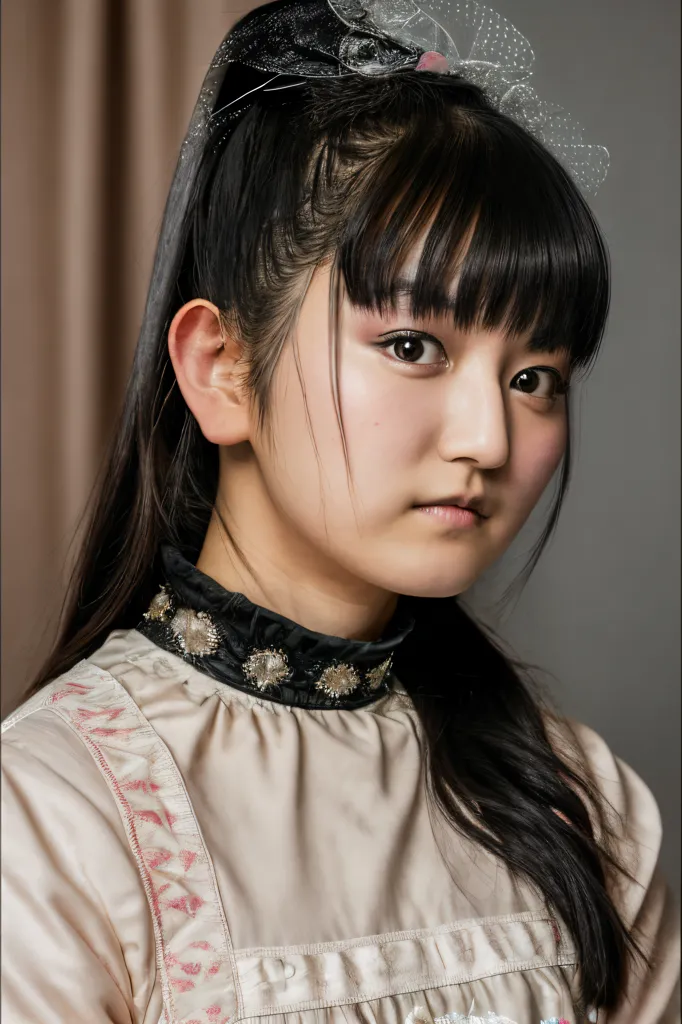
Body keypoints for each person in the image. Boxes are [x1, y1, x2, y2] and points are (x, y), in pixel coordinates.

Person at [1, 0, 679, 1021]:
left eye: (536, 376)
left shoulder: (585, 806)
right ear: (222, 367)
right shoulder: (53, 814)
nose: (488, 440)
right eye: (413, 347)